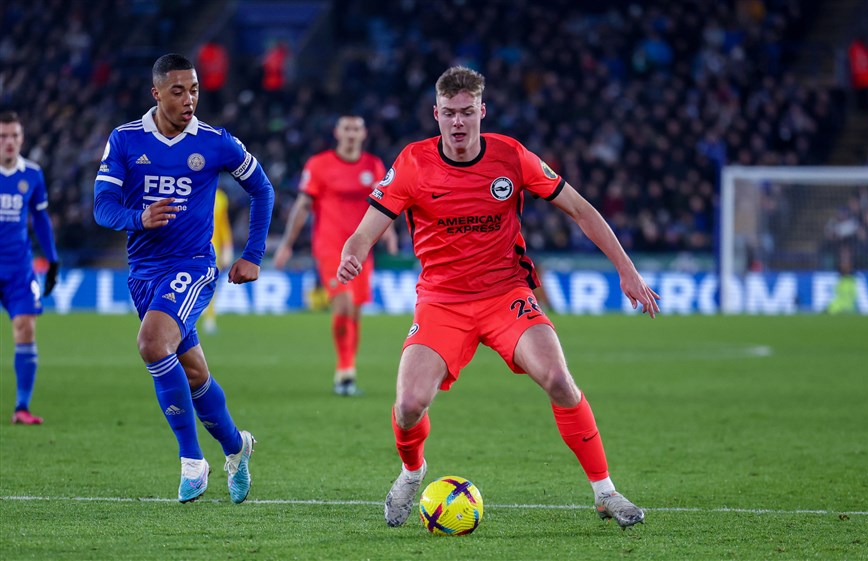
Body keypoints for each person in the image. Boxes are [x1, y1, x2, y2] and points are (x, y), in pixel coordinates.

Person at [337, 66, 661, 529]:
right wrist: (351, 253)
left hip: (505, 293)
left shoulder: (512, 157)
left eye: (467, 112)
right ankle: (413, 473)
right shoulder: (412, 163)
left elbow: (580, 209)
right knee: (409, 404)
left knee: (557, 378)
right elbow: (366, 230)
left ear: (482, 111)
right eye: (449, 113)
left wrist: (626, 270)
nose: (458, 123)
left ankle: (605, 492)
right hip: (442, 301)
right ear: (436, 114)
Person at [93, 53, 275, 504]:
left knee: (152, 343)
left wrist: (252, 254)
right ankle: (237, 447)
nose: (189, 99)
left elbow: (263, 189)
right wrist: (139, 216)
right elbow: (102, 207)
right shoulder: (124, 140)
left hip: (192, 265)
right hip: (143, 273)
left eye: (194, 89)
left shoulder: (215, 142)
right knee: (193, 373)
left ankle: (192, 461)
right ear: (156, 93)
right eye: (178, 91)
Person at [273, 115, 397, 396]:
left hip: (362, 249)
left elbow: (385, 205)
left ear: (364, 133)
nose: (351, 133)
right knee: (342, 303)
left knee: (354, 310)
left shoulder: (373, 165)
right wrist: (287, 244)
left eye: (356, 128)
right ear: (337, 132)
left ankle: (348, 368)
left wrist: (388, 234)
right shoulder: (319, 165)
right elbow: (303, 205)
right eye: (347, 128)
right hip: (330, 248)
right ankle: (344, 374)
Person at [0, 111, 59, 426]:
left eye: (14, 136)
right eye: (2, 137)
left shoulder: (32, 175)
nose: (9, 142)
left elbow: (40, 220)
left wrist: (52, 259)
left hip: (19, 270)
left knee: (25, 329)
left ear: (22, 139)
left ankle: (22, 407)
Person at [201, 187, 234, 334]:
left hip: (213, 248)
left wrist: (227, 248)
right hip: (189, 246)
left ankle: (209, 319)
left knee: (211, 286)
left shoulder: (220, 197)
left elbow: (223, 225)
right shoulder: (188, 189)